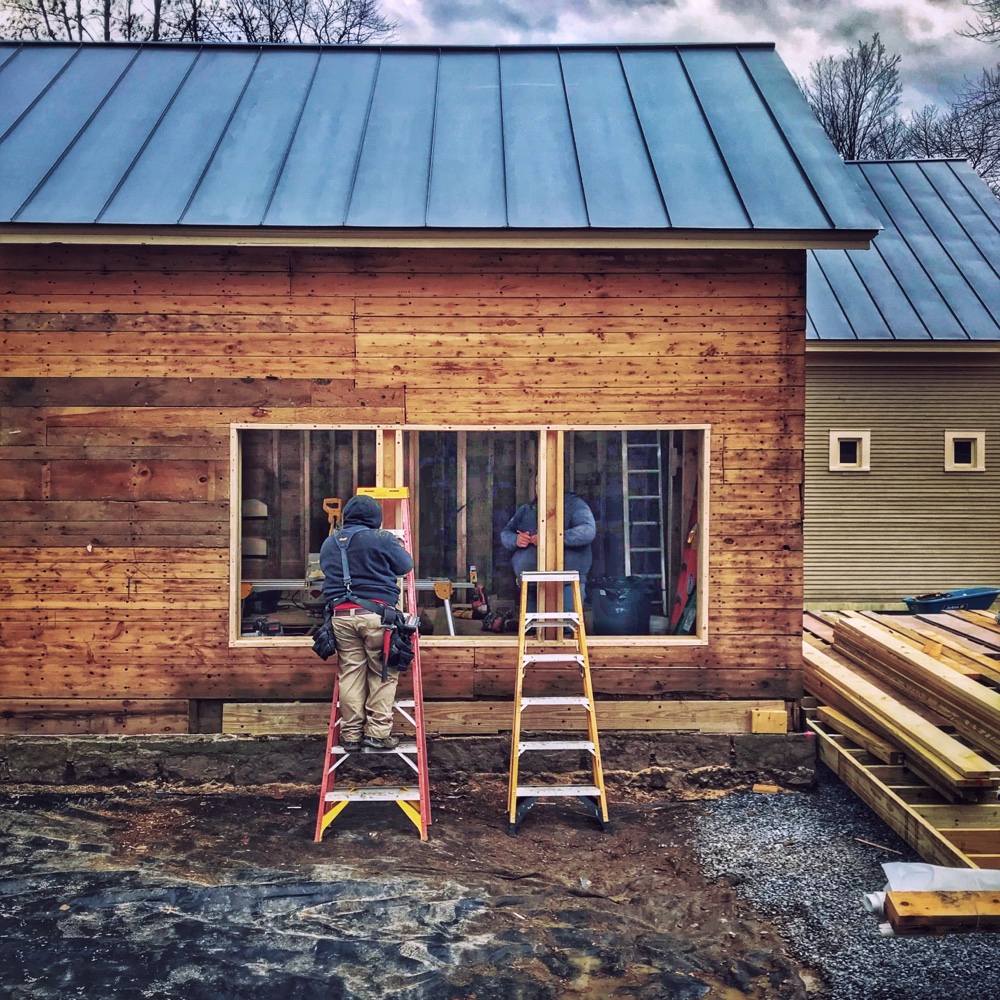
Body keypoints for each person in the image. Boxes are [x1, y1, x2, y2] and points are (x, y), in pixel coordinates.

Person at [319, 494, 413, 753]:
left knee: (350, 674)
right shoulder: (380, 538)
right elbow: (406, 566)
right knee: (383, 672)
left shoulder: (329, 543)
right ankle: (377, 734)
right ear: (375, 519)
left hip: (340, 618)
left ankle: (350, 736)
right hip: (376, 617)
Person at [501, 492, 596, 610]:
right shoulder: (527, 509)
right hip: (531, 582)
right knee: (532, 626)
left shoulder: (575, 504)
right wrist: (516, 539)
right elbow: (506, 533)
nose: (539, 486)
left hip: (566, 582)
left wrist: (551, 538)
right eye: (537, 482)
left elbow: (588, 531)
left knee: (566, 625)